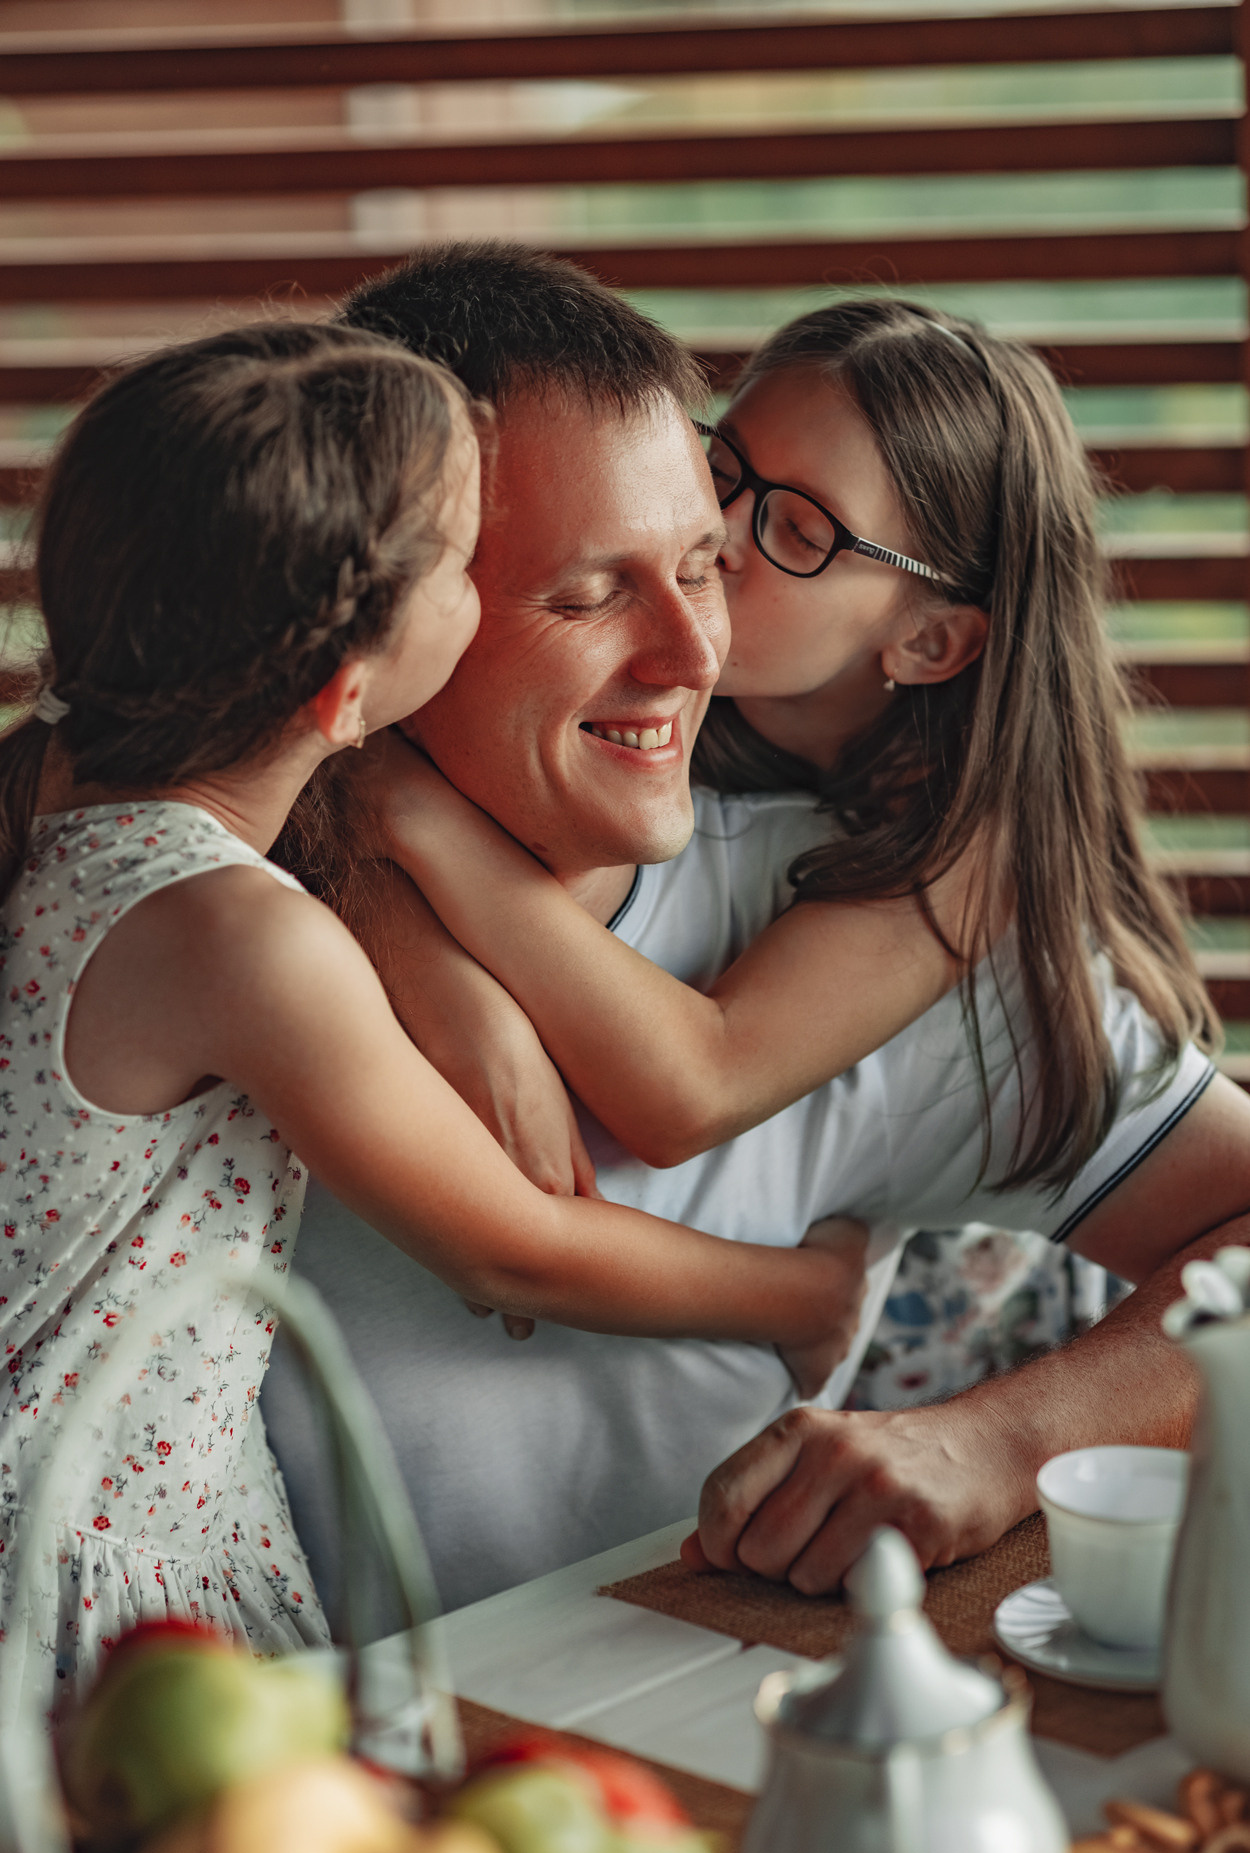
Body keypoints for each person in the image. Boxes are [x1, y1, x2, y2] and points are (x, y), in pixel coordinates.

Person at [259, 245, 1250, 1613]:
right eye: (586, 588)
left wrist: (997, 1440)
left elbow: (689, 1085)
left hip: (672, 1713)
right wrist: (387, 889)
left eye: (729, 554)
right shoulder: (188, 870)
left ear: (933, 642)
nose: (700, 629)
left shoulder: (907, 909)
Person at [0, 319, 865, 1709]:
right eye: (466, 567)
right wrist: (809, 1294)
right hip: (97, 1609)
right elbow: (512, 1247)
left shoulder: (60, 802)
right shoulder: (242, 936)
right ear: (350, 693)